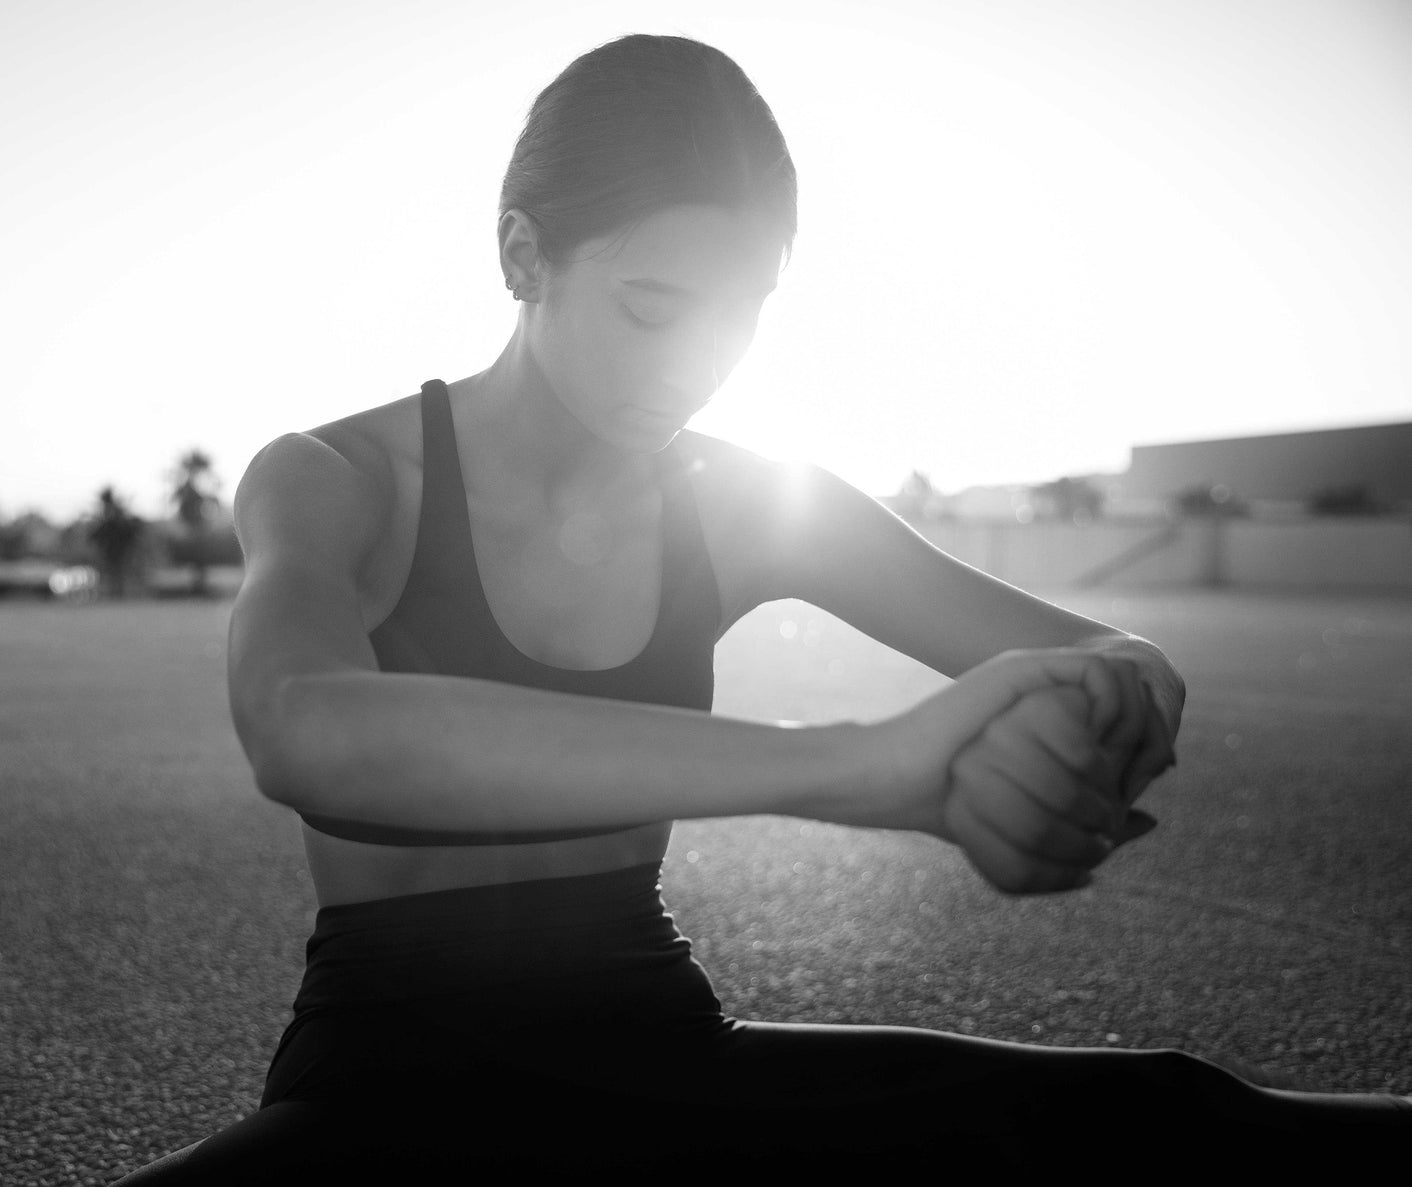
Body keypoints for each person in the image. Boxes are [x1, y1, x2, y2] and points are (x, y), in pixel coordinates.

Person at [112, 34, 1409, 1180]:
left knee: (1168, 1126)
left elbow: (1098, 651)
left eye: (742, 316)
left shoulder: (741, 504)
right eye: (652, 306)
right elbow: (305, 726)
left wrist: (1087, 726)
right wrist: (855, 769)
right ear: (522, 256)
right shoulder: (339, 478)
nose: (696, 367)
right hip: (382, 1089)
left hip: (666, 1056)